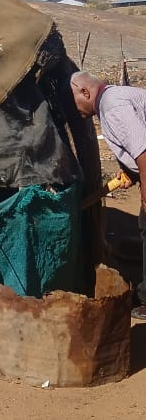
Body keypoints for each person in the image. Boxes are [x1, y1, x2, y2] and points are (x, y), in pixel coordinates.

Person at [70, 71, 146, 316]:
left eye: (74, 102)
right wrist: (133, 174)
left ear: (85, 92)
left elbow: (144, 151)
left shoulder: (112, 106)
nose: (74, 110)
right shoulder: (114, 99)